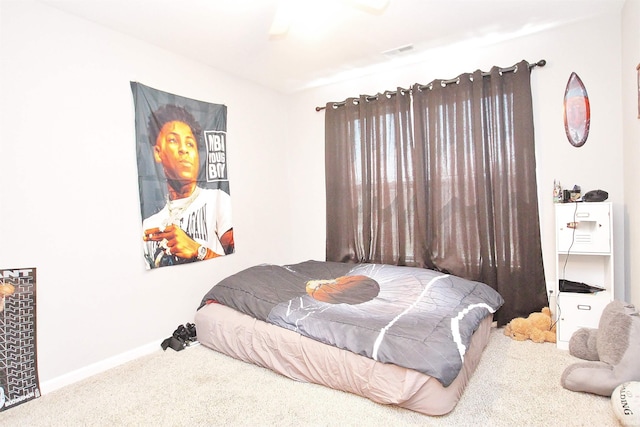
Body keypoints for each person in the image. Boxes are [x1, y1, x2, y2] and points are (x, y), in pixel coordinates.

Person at [142, 104, 234, 269]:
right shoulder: (150, 227)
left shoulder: (217, 199)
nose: (184, 149)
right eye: (173, 140)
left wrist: (198, 251)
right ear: (157, 152)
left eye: (190, 144)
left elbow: (237, 262)